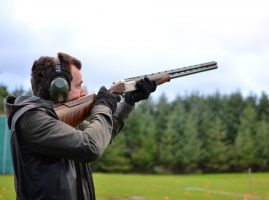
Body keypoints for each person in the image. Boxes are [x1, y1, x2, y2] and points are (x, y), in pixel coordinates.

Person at [4, 52, 157, 200]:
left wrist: (128, 103)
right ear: (59, 89)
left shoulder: (58, 120)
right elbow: (91, 147)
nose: (84, 93)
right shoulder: (32, 119)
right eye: (79, 86)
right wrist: (103, 105)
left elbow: (102, 134)